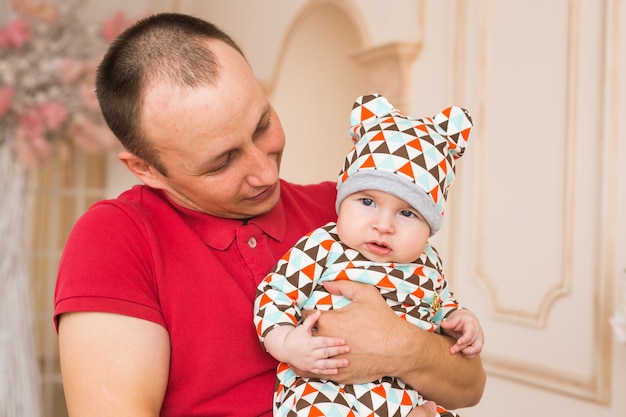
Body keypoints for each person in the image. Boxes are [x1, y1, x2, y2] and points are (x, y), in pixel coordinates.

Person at [53, 13, 485, 417]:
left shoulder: (350, 213)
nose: (264, 171)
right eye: (221, 162)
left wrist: (401, 347)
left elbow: (468, 386)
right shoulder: (116, 238)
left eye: (262, 125)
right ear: (146, 169)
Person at [254, 94, 483, 417]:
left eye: (407, 213)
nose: (383, 225)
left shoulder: (428, 263)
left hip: (400, 397)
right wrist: (288, 343)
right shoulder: (324, 246)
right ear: (343, 200)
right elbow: (274, 292)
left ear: (430, 226)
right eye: (367, 202)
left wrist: (463, 322)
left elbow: (441, 306)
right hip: (325, 389)